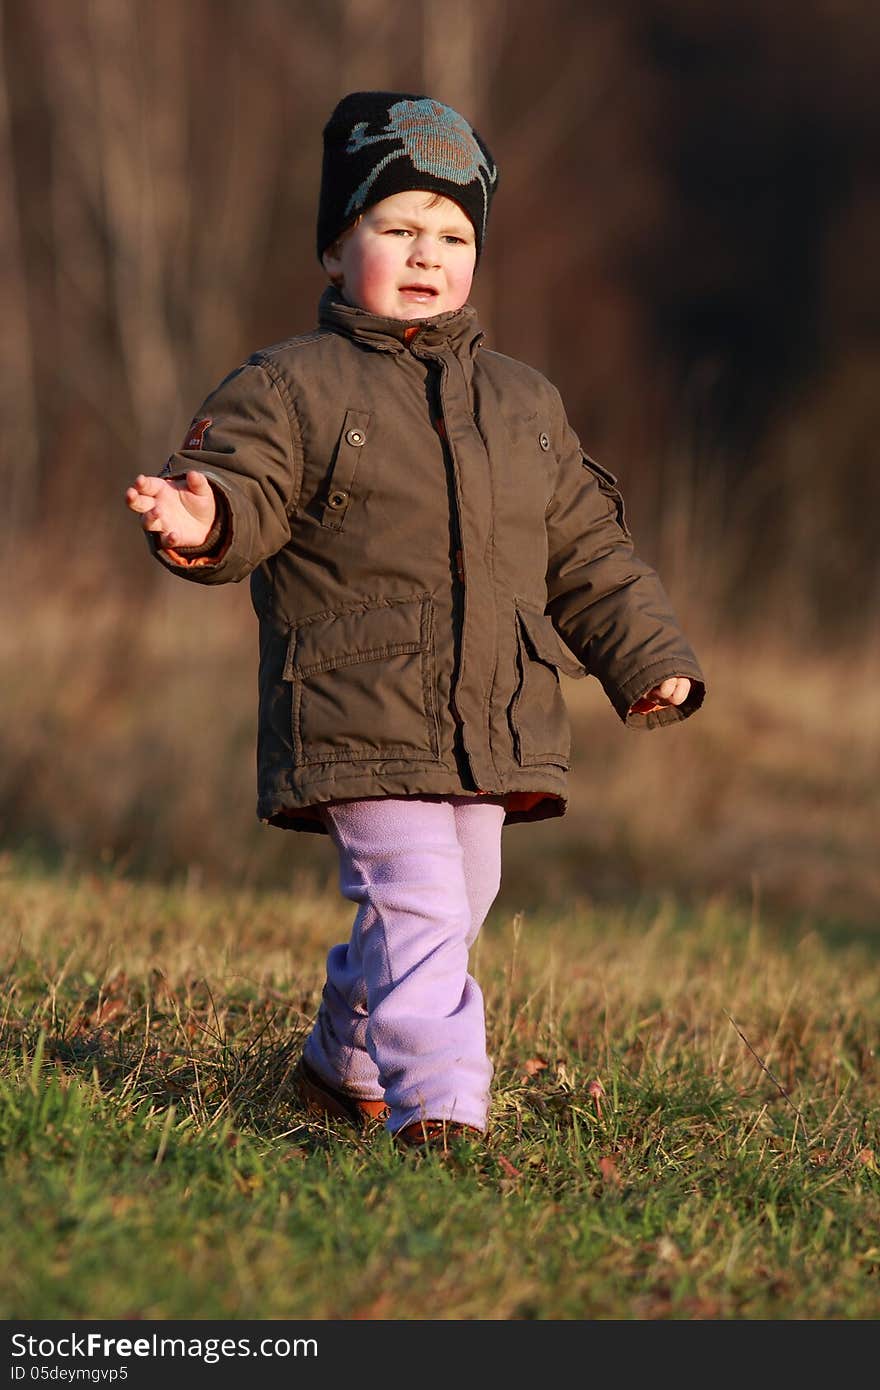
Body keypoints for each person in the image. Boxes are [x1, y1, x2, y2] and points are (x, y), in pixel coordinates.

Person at [125, 91, 706, 1153]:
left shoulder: (523, 405)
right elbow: (239, 484)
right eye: (394, 228)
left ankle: (340, 1061)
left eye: (452, 233)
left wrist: (648, 657)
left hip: (489, 716)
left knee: (457, 898)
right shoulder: (291, 385)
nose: (425, 252)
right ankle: (440, 1103)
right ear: (338, 245)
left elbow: (586, 550)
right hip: (356, 705)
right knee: (425, 905)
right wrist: (198, 512)